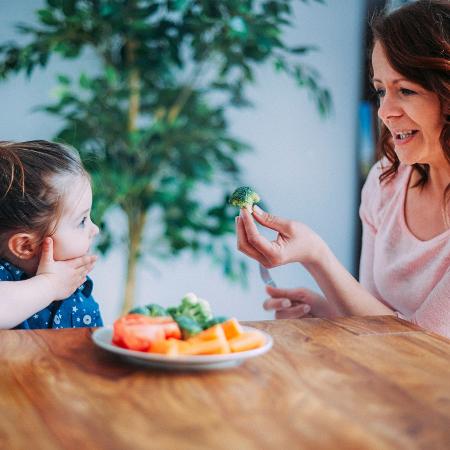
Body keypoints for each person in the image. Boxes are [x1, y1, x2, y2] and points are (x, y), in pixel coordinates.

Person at [236, 0, 450, 338]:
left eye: (405, 90)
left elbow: (427, 346)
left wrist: (316, 255)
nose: (385, 111)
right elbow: (378, 319)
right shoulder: (386, 182)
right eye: (381, 90)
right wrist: (324, 310)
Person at [0, 140, 103, 329]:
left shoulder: (77, 286)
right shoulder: (5, 278)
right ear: (26, 246)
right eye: (82, 221)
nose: (95, 229)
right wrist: (48, 286)